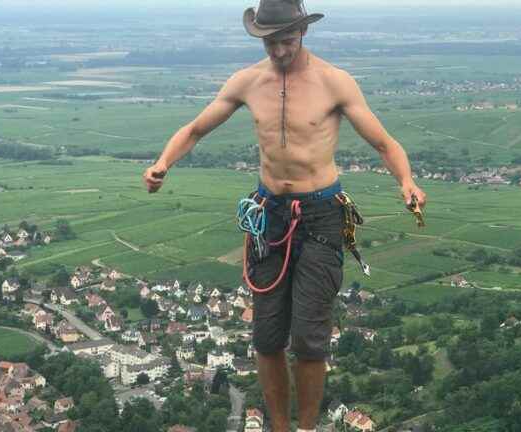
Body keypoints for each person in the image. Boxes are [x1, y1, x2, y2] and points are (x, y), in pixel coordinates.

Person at [143, 1, 427, 430]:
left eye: (286, 41)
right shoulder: (248, 81)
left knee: (310, 340)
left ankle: (307, 428)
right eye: (271, 42)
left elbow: (385, 143)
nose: (278, 51)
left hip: (322, 216)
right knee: (267, 338)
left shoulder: (335, 83)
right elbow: (195, 129)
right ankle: (279, 427)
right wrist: (163, 163)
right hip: (268, 215)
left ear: (304, 34)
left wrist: (406, 181)